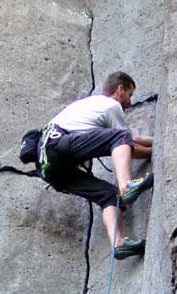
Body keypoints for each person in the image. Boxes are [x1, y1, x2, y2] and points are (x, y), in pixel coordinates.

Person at [38, 71, 154, 260]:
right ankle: (127, 186)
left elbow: (132, 140)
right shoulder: (110, 105)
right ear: (119, 89)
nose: (130, 102)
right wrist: (153, 150)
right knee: (119, 137)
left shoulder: (89, 106)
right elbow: (128, 142)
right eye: (130, 94)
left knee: (109, 195)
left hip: (49, 167)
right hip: (59, 144)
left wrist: (154, 145)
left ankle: (118, 244)